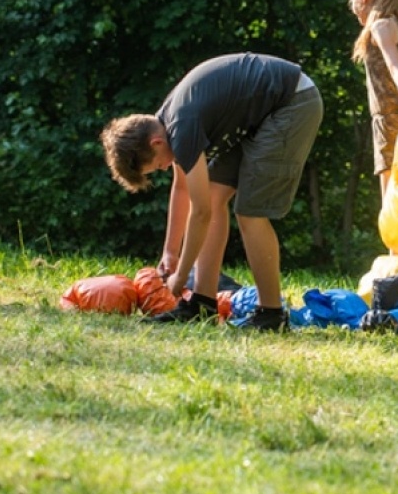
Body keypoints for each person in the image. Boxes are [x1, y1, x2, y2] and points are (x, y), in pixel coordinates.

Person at [100, 53, 323, 331]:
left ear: (155, 142)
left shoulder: (181, 127)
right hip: (261, 112)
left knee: (249, 213)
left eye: (157, 165)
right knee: (215, 194)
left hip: (291, 102)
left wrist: (181, 276)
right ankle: (201, 304)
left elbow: (200, 212)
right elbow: (182, 187)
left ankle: (271, 314)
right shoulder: (167, 123)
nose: (163, 168)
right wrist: (171, 252)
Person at [348, 0, 398, 193]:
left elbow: (396, 69)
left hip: (391, 119)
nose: (352, 9)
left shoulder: (381, 26)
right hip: (390, 117)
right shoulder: (391, 24)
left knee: (390, 195)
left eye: (352, 1)